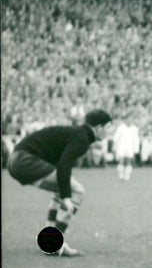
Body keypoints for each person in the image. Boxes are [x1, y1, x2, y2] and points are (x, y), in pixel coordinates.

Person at [7, 109, 113, 257]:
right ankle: (54, 244)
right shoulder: (82, 138)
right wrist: (67, 198)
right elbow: (64, 166)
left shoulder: (78, 133)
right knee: (77, 191)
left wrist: (64, 194)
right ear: (98, 128)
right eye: (109, 127)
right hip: (24, 160)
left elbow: (59, 165)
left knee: (63, 189)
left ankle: (48, 240)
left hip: (15, 160)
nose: (110, 131)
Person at [113, 112, 141, 181]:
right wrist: (115, 146)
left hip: (130, 147)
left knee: (128, 161)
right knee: (121, 160)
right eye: (128, 119)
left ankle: (127, 175)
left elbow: (136, 139)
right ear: (125, 120)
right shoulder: (121, 127)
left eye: (131, 119)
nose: (129, 121)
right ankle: (121, 175)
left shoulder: (135, 129)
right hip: (121, 146)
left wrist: (136, 149)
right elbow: (116, 137)